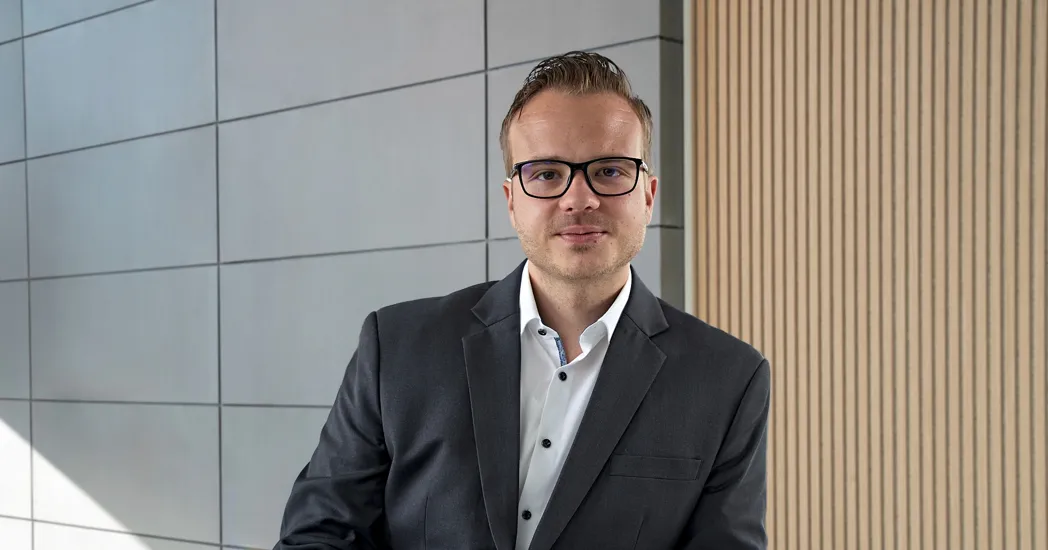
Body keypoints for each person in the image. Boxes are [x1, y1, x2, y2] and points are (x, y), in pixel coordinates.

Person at [273, 51, 770, 550]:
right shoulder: (397, 347)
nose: (580, 199)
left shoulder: (727, 379)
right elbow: (321, 535)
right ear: (512, 201)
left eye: (611, 171)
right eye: (548, 174)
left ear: (648, 195)